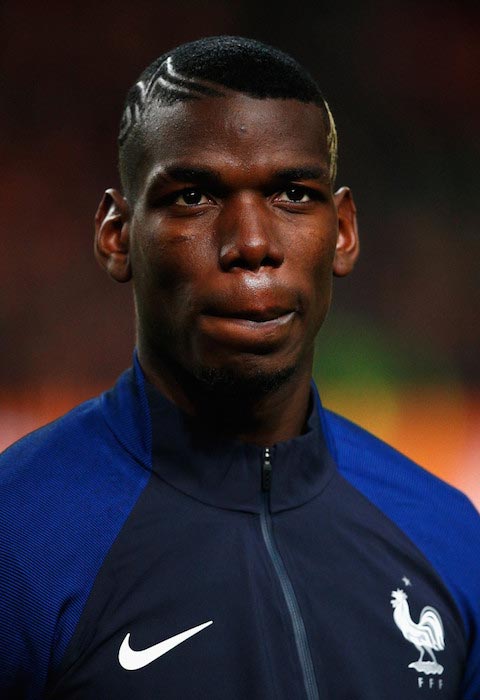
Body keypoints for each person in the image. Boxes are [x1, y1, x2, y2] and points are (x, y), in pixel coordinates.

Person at [0, 36, 478, 700]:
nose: (252, 244)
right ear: (117, 235)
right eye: (194, 196)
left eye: (291, 194)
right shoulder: (17, 545)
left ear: (342, 233)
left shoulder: (449, 540)